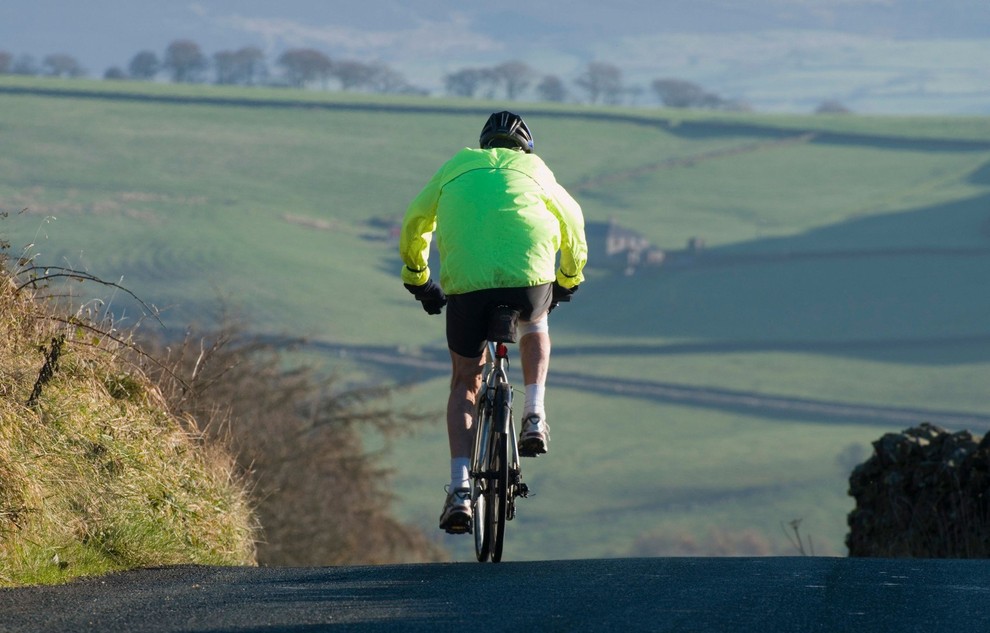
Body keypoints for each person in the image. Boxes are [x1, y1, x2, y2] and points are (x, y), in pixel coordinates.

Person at [399, 110, 588, 534]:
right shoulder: (537, 170)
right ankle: (535, 413)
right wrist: (568, 281)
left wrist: (420, 279)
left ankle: (460, 488)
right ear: (525, 147)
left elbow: (415, 222)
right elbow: (572, 223)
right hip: (528, 281)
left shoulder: (455, 167)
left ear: (486, 146)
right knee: (535, 323)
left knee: (466, 379)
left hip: (467, 287)